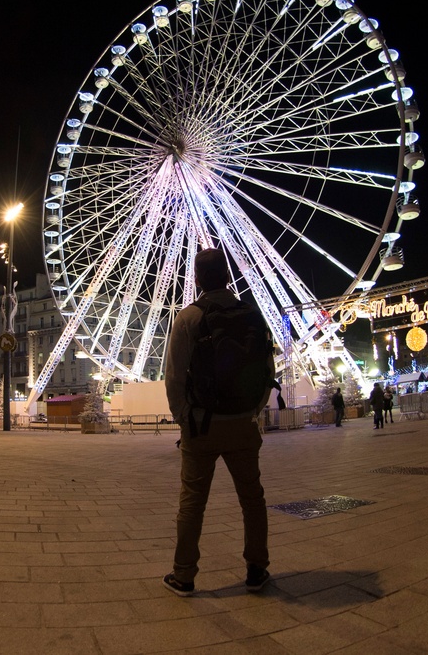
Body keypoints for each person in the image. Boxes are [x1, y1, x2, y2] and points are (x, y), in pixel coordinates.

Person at [162, 249, 273, 597]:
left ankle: (184, 575)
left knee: (192, 500)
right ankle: (257, 569)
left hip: (202, 425)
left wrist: (184, 418)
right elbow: (267, 370)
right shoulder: (252, 314)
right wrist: (254, 410)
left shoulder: (188, 318)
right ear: (228, 276)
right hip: (242, 422)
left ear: (196, 278)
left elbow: (175, 378)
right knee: (252, 499)